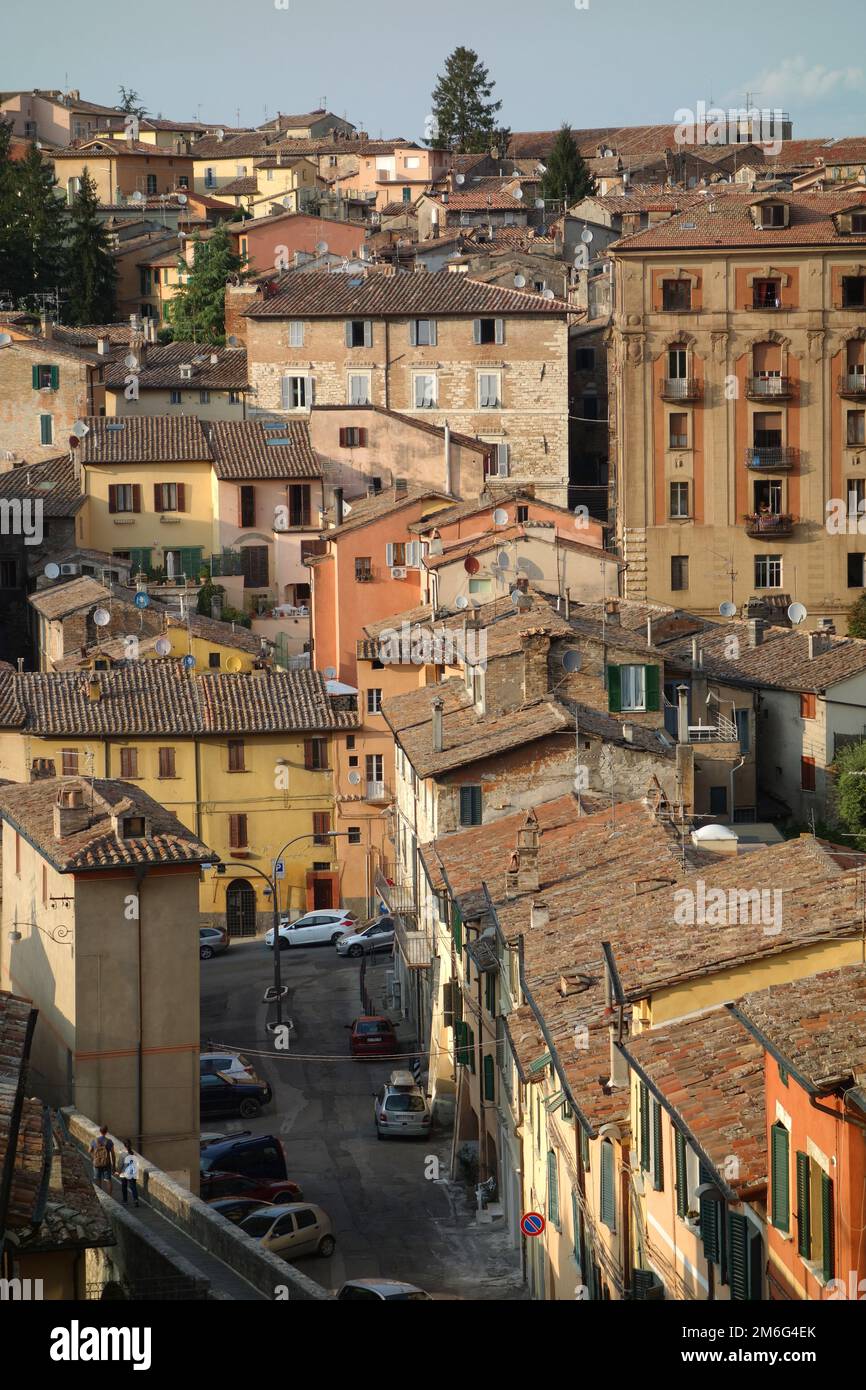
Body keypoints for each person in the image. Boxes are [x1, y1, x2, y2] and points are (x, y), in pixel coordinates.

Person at [90, 1126, 115, 1193]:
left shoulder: (94, 1141)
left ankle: (100, 1195)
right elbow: (113, 1154)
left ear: (100, 1131)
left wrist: (93, 1158)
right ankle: (110, 1196)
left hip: (97, 1163)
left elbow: (89, 1150)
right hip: (106, 1163)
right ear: (106, 1131)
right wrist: (114, 1166)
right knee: (108, 1180)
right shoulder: (109, 1141)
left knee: (97, 1180)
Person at [118, 1141, 140, 1207]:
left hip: (124, 1173)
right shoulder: (134, 1154)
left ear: (124, 1146)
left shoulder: (123, 1154)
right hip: (132, 1172)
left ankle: (125, 1201)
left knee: (124, 1187)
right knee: (133, 1187)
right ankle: (135, 1200)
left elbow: (120, 1164)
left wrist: (118, 1171)